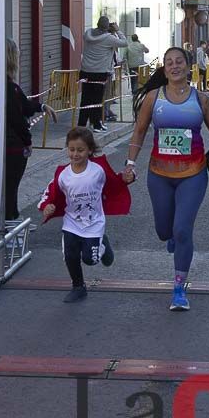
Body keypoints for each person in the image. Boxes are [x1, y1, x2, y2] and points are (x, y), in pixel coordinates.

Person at [124, 47, 209, 311]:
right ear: (164, 68)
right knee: (164, 231)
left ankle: (179, 288)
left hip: (193, 174)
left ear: (188, 65)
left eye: (179, 61)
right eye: (169, 62)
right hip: (159, 174)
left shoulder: (202, 100)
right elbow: (139, 131)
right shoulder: (153, 97)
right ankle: (171, 236)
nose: (174, 66)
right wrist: (130, 164)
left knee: (182, 230)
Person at [38, 127, 132, 303]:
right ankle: (78, 286)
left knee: (90, 260)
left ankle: (102, 245)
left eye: (80, 150)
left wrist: (127, 178)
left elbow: (114, 183)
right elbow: (51, 194)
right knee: (70, 255)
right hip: (71, 222)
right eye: (71, 149)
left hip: (94, 223)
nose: (75, 154)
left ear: (89, 150)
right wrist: (47, 206)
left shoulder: (98, 170)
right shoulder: (62, 174)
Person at [6, 40, 56, 222]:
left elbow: (25, 106)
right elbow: (17, 119)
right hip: (12, 146)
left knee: (10, 187)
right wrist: (27, 142)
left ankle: (13, 217)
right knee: (10, 186)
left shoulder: (8, 86)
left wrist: (42, 107)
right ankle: (10, 223)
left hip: (7, 145)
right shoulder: (9, 88)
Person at [80, 16, 127, 133]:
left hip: (85, 71)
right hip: (99, 73)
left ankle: (81, 124)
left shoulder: (87, 34)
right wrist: (117, 30)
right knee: (97, 99)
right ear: (107, 27)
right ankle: (96, 124)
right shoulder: (109, 38)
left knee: (85, 98)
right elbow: (124, 43)